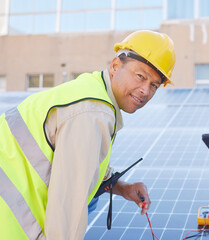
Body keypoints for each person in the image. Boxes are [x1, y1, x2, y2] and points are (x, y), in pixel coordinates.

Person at [0, 30, 175, 239]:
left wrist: (121, 187)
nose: (145, 91)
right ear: (115, 66)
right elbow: (66, 218)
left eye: (154, 85)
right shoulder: (92, 114)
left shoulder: (92, 90)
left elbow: (79, 162)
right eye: (140, 76)